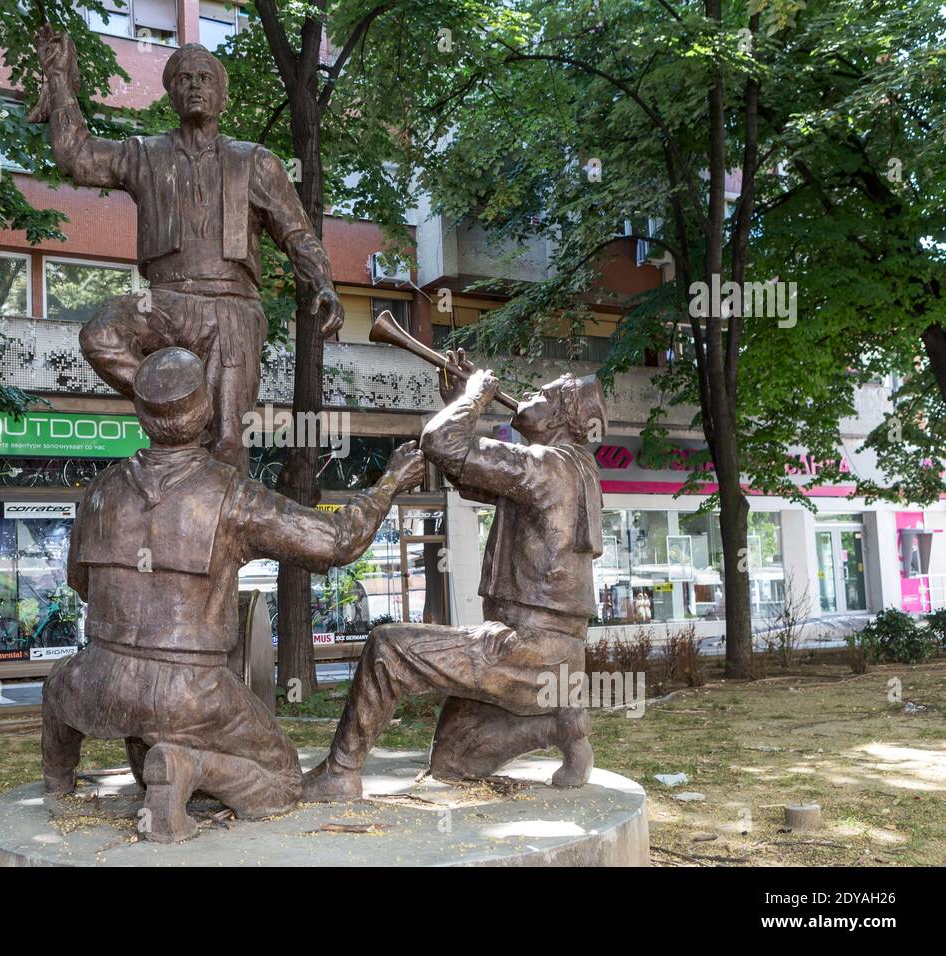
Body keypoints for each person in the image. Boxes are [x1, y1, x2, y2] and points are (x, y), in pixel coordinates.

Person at [42, 347, 424, 843]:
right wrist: (389, 483)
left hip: (94, 679)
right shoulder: (231, 495)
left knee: (57, 686)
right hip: (189, 692)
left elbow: (80, 583)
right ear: (205, 413)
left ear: (140, 414)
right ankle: (188, 767)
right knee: (284, 781)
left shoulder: (98, 490)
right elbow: (336, 542)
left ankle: (57, 784)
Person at [30, 29, 344, 470]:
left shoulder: (256, 161)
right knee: (101, 334)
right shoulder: (145, 154)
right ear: (171, 95)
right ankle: (177, 404)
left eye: (204, 78)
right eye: (183, 78)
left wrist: (323, 284)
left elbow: (297, 234)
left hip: (231, 305)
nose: (194, 85)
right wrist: (59, 80)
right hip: (165, 300)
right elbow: (77, 157)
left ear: (222, 96)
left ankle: (221, 524)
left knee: (228, 443)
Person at [302, 355, 607, 801]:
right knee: (454, 759)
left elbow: (441, 441)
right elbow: (467, 474)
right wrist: (456, 402)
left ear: (561, 417)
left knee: (387, 648)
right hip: (555, 656)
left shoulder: (545, 465)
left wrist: (474, 397)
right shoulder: (571, 469)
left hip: (528, 647)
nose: (526, 397)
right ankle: (559, 724)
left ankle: (340, 774)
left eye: (541, 395)